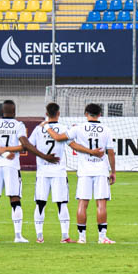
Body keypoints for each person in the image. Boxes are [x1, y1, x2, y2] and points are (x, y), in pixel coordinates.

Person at [0, 99, 56, 243]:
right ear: (14, 111)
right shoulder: (18, 125)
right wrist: (44, 156)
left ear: (1, 112)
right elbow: (25, 144)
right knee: (14, 198)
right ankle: (18, 236)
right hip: (12, 165)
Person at [54, 103, 115, 244]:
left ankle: (82, 238)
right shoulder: (106, 130)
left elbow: (61, 139)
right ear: (100, 114)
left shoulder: (78, 128)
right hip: (101, 170)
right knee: (101, 204)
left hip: (84, 171)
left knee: (82, 203)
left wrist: (45, 126)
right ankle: (102, 237)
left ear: (86, 114)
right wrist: (113, 172)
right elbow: (110, 153)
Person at [27, 102, 72, 243]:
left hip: (42, 171)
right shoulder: (64, 128)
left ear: (46, 114)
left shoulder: (38, 129)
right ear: (58, 113)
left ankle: (39, 236)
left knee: (40, 203)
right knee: (62, 203)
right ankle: (65, 236)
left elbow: (28, 145)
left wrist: (42, 156)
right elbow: (73, 143)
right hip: (59, 171)